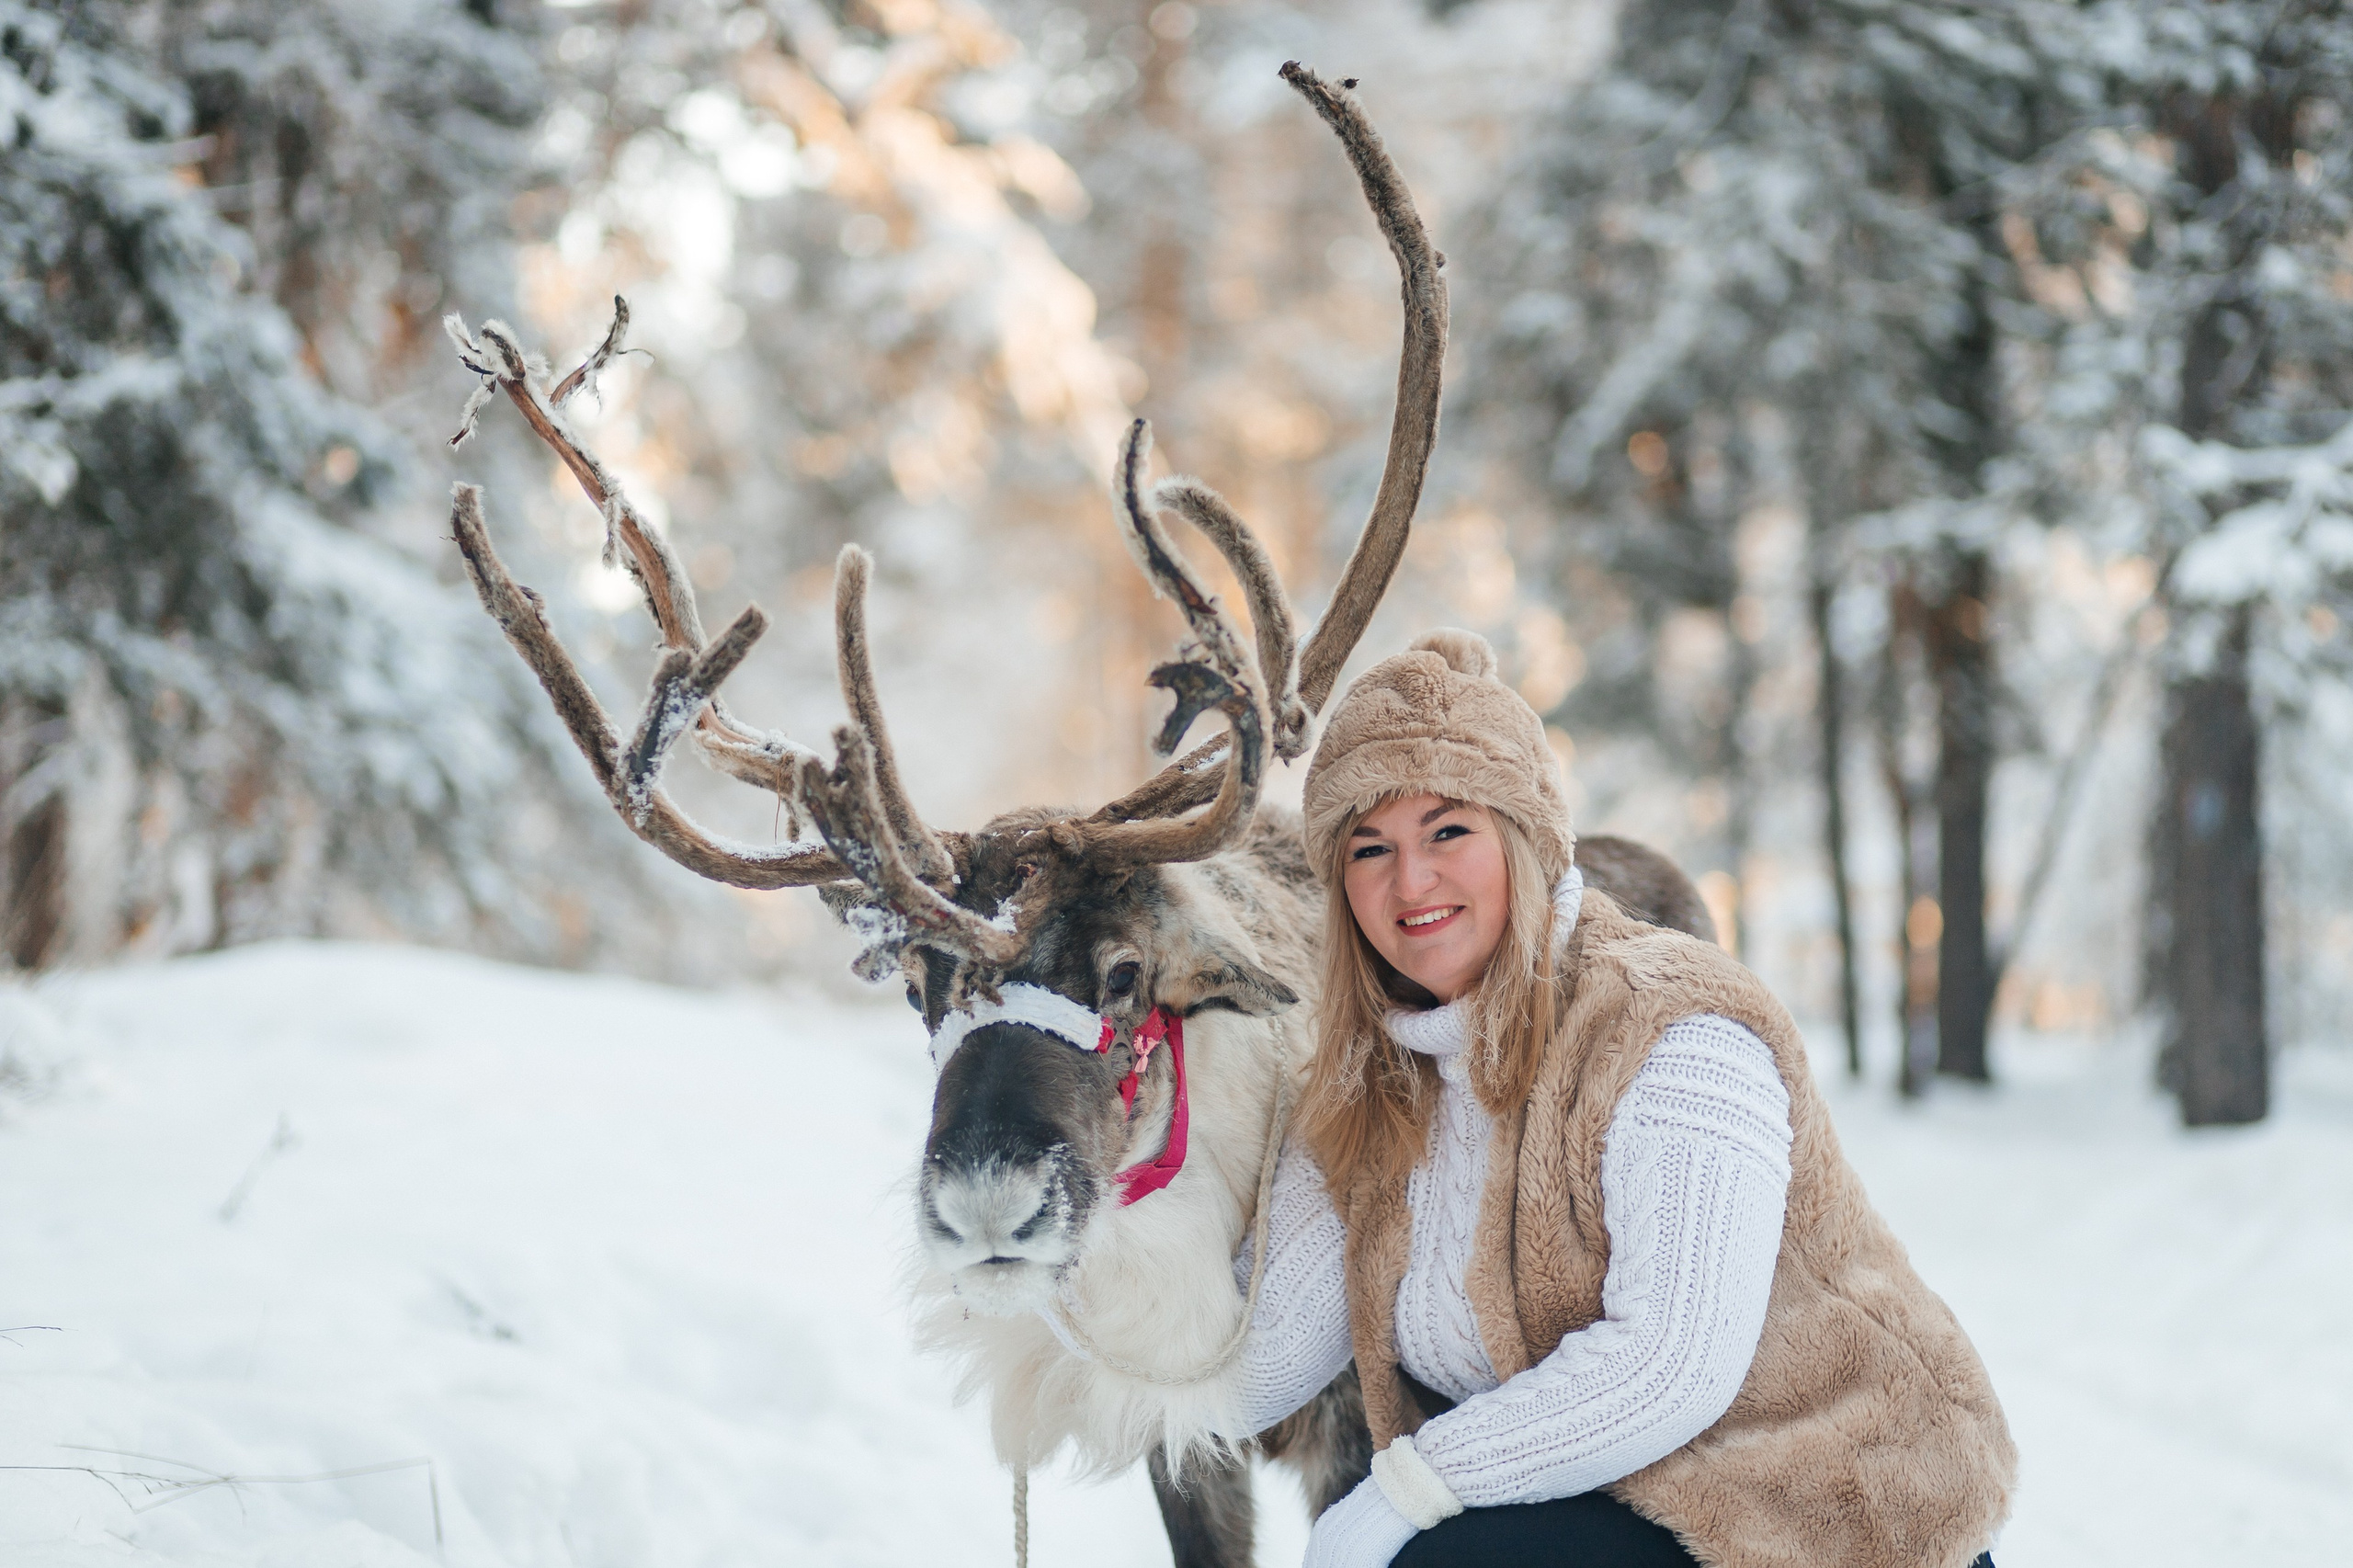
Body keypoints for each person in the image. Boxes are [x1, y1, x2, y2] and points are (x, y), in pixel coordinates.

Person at [1230, 629, 2015, 1568]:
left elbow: (1667, 1366)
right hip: (1626, 1499)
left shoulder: (1670, 1028)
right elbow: (1264, 1355)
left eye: (1448, 830)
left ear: (1523, 837)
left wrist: (1400, 1492)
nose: (1411, 880)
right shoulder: (1373, 1088)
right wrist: (1063, 1283)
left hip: (1830, 1514)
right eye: (1368, 848)